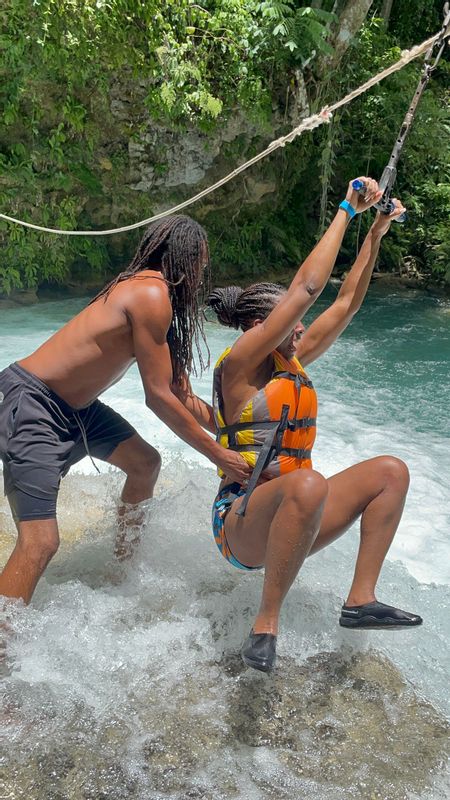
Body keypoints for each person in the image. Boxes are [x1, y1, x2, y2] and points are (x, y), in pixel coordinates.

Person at [206, 179, 422, 673]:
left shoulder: (293, 362)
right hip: (239, 524)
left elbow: (345, 304)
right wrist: (347, 208)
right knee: (307, 482)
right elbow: (308, 289)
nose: (300, 327)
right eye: (289, 322)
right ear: (260, 328)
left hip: (296, 518)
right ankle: (265, 627)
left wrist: (377, 232)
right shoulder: (239, 368)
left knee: (391, 472)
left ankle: (360, 599)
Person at [0, 215, 250, 605]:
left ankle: (121, 573)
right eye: (200, 263)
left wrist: (231, 430)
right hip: (35, 404)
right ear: (181, 259)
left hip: (78, 412)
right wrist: (218, 453)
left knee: (144, 464)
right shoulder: (150, 296)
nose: (202, 274)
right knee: (41, 542)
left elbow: (177, 391)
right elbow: (157, 398)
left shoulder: (156, 298)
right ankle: (4, 647)